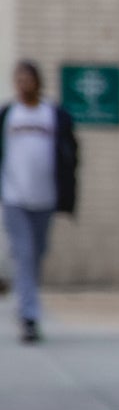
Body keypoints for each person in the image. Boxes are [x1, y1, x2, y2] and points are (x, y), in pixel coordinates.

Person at [1, 60, 78, 343]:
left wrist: (68, 192)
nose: (23, 84)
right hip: (14, 198)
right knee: (24, 253)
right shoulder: (8, 115)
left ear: (37, 81)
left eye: (28, 79)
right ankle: (29, 318)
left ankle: (23, 300)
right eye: (18, 79)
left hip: (44, 198)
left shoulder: (52, 115)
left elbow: (70, 154)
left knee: (36, 254)